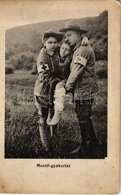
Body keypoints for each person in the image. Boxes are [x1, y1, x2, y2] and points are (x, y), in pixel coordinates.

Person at [58, 20, 101, 157]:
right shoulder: (78, 47)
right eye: (66, 36)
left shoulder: (82, 50)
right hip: (82, 88)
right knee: (84, 115)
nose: (67, 38)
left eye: (69, 35)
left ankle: (85, 146)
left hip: (84, 88)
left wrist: (67, 88)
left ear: (78, 34)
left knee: (82, 116)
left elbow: (76, 71)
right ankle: (94, 141)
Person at [34, 29, 63, 152]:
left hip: (53, 90)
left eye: (55, 42)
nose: (53, 45)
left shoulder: (56, 54)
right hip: (42, 92)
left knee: (54, 112)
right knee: (43, 117)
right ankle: (46, 146)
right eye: (50, 42)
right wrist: (58, 81)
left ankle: (54, 136)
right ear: (44, 43)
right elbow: (45, 77)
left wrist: (85, 39)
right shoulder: (43, 57)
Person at [47, 41, 73, 125]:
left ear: (70, 51)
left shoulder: (70, 58)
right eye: (62, 48)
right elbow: (44, 47)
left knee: (58, 86)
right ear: (59, 47)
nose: (64, 51)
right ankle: (51, 108)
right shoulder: (56, 54)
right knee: (52, 82)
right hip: (56, 78)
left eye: (67, 50)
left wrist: (85, 38)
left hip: (66, 79)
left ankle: (57, 111)